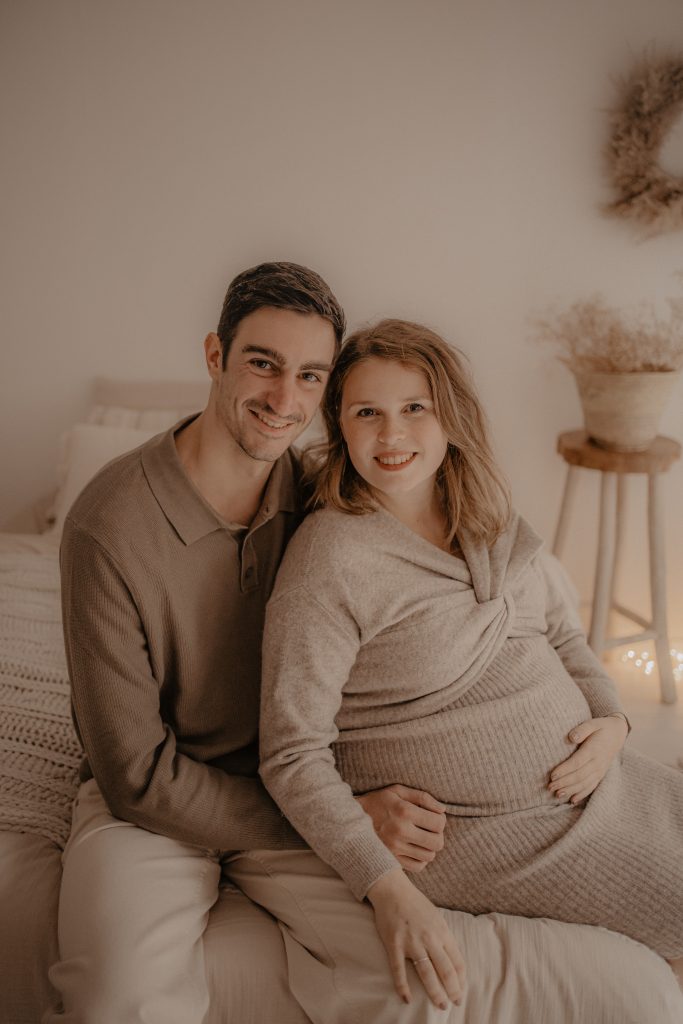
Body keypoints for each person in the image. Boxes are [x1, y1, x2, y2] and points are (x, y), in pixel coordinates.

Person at [47, 265, 453, 1024]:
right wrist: (344, 817)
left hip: (300, 793)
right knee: (116, 1002)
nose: (283, 400)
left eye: (309, 376)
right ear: (214, 356)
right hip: (154, 816)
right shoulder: (106, 524)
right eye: (262, 364)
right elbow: (135, 775)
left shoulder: (326, 496)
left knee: (416, 984)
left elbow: (456, 530)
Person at [256, 317, 683, 1007]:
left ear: (449, 414)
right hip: (503, 834)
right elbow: (288, 751)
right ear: (338, 427)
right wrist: (383, 884)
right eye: (367, 412)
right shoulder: (331, 561)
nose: (391, 435)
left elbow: (561, 633)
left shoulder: (481, 507)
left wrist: (612, 723)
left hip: (608, 782)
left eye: (413, 408)